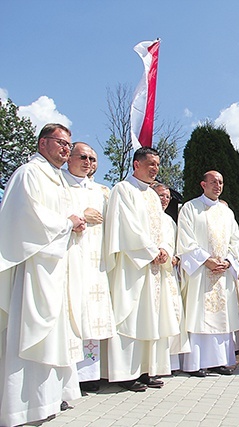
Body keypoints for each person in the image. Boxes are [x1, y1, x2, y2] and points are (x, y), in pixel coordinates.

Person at [0, 123, 86, 426]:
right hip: (34, 268)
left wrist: (73, 224)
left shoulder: (58, 180)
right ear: (42, 144)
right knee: (30, 333)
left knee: (54, 336)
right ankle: (20, 407)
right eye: (60, 143)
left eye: (68, 144)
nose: (66, 149)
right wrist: (68, 223)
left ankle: (47, 401)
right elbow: (28, 219)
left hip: (56, 267)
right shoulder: (29, 174)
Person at [104, 147, 179, 392]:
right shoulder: (122, 190)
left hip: (154, 268)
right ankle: (126, 373)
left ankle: (146, 370)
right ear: (137, 164)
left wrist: (166, 248)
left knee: (150, 318)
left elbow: (164, 228)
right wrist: (150, 251)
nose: (155, 168)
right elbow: (127, 227)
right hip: (133, 267)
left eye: (157, 164)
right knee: (131, 316)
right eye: (151, 164)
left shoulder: (151, 195)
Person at [177, 171, 239, 377]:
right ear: (203, 184)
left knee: (222, 318)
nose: (218, 185)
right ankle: (196, 363)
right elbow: (185, 241)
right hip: (200, 272)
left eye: (221, 182)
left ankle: (220, 361)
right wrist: (206, 260)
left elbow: (236, 241)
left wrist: (229, 261)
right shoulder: (190, 208)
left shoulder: (227, 212)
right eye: (213, 182)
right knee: (199, 316)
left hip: (222, 273)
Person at [62, 142, 115, 393]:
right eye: (83, 157)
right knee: (71, 313)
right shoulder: (59, 183)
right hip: (70, 259)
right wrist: (81, 213)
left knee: (92, 315)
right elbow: (50, 211)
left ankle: (90, 373)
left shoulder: (102, 191)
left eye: (93, 159)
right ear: (69, 158)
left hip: (96, 263)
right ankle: (70, 374)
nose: (89, 163)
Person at [151, 182, 190, 374]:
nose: (164, 200)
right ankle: (153, 363)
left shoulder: (170, 221)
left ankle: (170, 362)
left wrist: (175, 256)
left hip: (168, 274)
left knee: (171, 315)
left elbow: (178, 245)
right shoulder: (146, 217)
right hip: (151, 271)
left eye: (167, 196)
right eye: (160, 196)